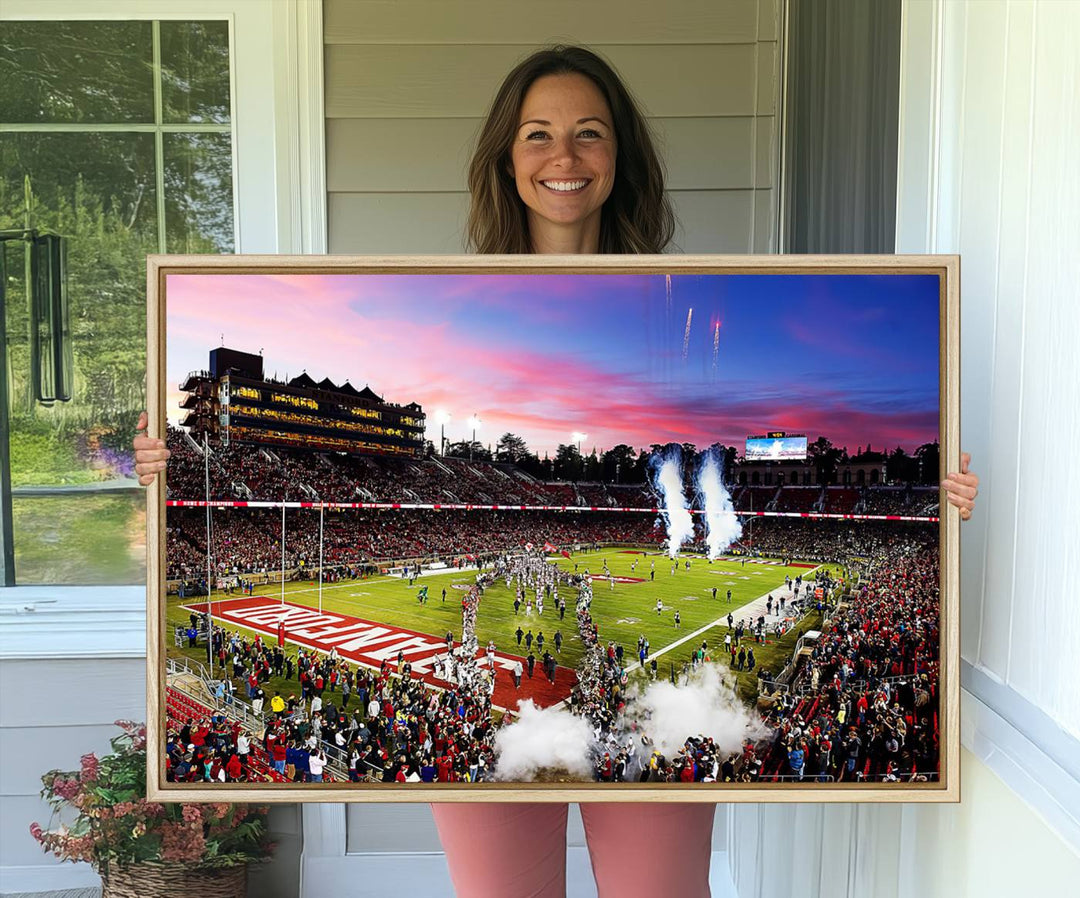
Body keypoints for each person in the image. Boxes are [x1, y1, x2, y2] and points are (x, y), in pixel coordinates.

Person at [134, 43, 980, 898]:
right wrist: (164, 464)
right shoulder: (450, 297)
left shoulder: (682, 295)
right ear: (506, 157)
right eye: (537, 134)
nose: (563, 156)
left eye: (589, 133)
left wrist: (940, 497)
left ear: (621, 158)